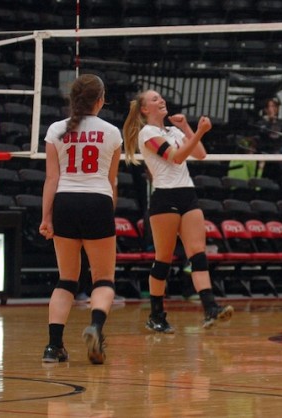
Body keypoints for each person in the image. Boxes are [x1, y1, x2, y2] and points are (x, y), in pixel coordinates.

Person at [123, 89, 233, 334]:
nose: (160, 100)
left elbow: (200, 154)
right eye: (154, 99)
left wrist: (187, 129)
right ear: (144, 109)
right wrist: (202, 131)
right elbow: (176, 157)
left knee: (198, 254)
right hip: (165, 197)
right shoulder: (147, 133)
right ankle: (156, 314)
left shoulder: (172, 131)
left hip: (187, 193)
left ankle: (210, 308)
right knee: (163, 259)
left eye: (161, 97)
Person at [39, 74, 122, 364]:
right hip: (97, 200)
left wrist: (46, 217)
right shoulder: (112, 132)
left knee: (67, 279)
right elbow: (112, 182)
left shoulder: (55, 129)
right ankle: (96, 327)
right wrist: (106, 214)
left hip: (65, 202)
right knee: (103, 278)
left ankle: (53, 347)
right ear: (100, 100)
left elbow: (51, 178)